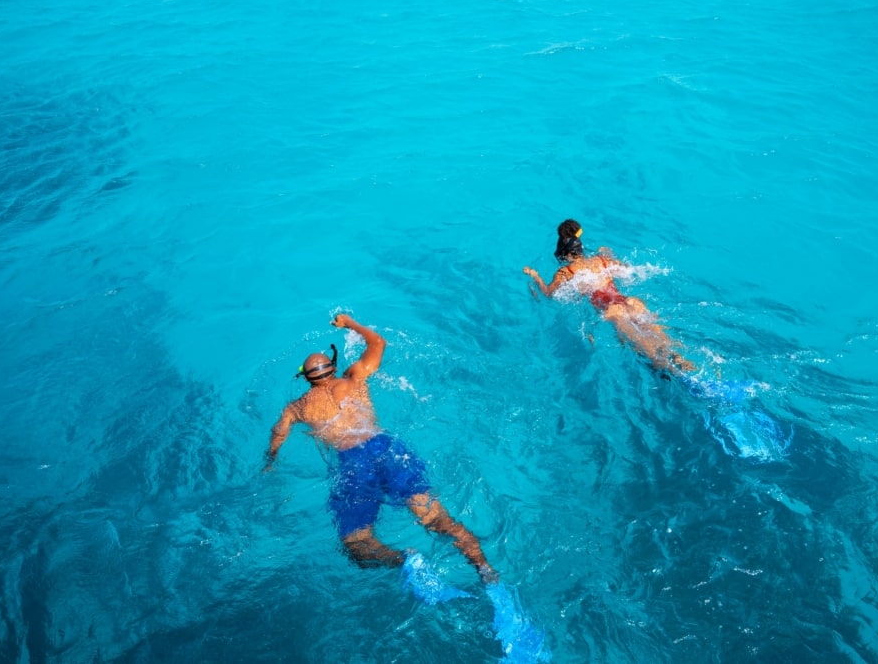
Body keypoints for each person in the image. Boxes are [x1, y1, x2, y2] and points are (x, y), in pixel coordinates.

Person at [265, 313, 497, 585]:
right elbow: (378, 343)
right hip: (386, 448)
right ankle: (485, 569)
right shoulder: (353, 378)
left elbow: (278, 433)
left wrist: (270, 462)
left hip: (353, 463)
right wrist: (350, 323)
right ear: (334, 366)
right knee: (437, 519)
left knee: (357, 544)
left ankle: (406, 560)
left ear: (306, 379)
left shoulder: (297, 407)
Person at [523, 218, 695, 376]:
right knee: (654, 332)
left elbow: (548, 294)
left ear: (565, 254)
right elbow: (626, 269)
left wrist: (535, 276)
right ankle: (678, 357)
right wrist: (609, 253)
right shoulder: (601, 260)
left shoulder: (566, 272)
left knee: (649, 353)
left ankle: (670, 368)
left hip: (613, 310)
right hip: (630, 301)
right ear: (581, 248)